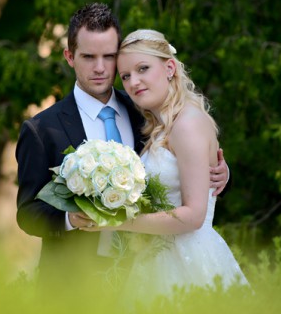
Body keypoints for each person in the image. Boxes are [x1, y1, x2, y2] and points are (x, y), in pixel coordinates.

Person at [14, 4, 230, 292]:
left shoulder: (145, 111)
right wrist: (69, 218)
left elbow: (183, 176)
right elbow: (27, 213)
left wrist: (221, 174)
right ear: (69, 57)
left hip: (147, 272)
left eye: (109, 56)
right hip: (73, 283)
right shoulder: (41, 130)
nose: (100, 68)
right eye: (89, 57)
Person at [80, 29, 248, 298]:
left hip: (189, 260)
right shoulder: (160, 126)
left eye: (143, 68)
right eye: (125, 76)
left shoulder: (187, 123)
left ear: (170, 67)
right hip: (156, 259)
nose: (134, 82)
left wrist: (116, 221)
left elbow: (193, 216)